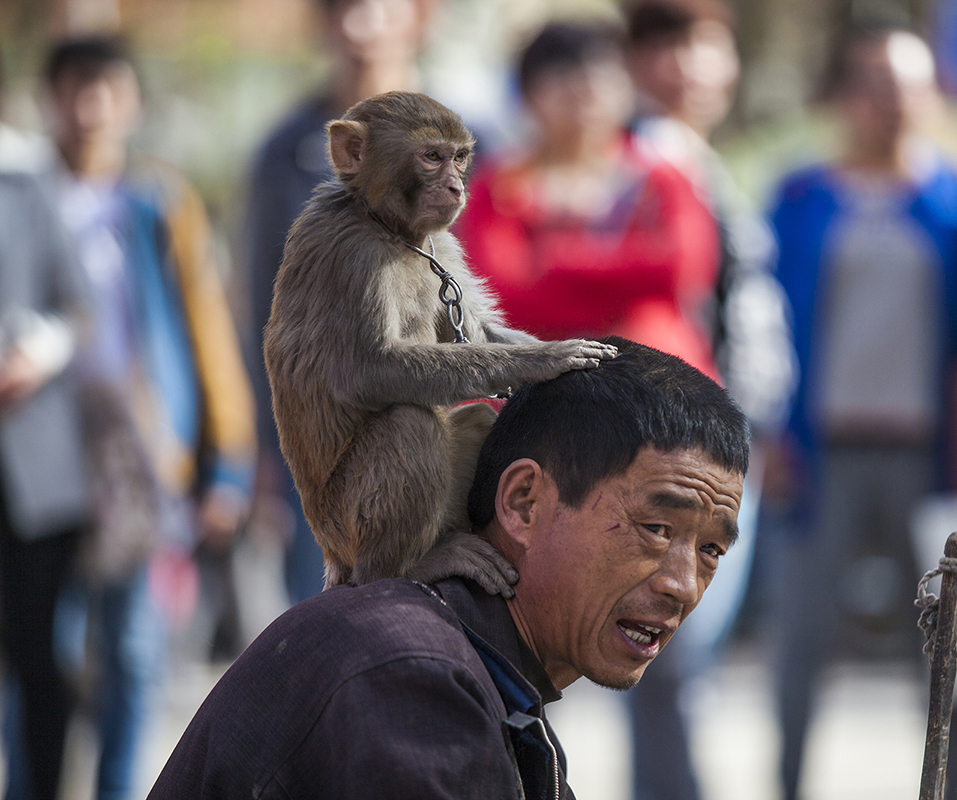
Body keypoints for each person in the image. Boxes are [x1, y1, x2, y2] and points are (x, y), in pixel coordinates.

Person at [147, 337, 749, 799]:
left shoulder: (487, 679)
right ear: (522, 503)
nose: (682, 585)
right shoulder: (410, 673)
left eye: (711, 551)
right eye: (655, 529)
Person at [769, 23, 957, 800]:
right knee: (799, 639)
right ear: (845, 95)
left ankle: (946, 789)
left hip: (929, 457)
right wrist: (765, 435)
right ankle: (789, 785)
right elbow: (764, 326)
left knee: (945, 647)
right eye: (873, 83)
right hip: (820, 449)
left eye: (906, 85)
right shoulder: (799, 197)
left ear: (931, 95)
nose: (890, 102)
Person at [42, 36, 257, 800]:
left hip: (142, 457)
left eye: (107, 89)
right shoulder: (24, 197)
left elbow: (206, 330)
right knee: (44, 651)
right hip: (42, 461)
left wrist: (225, 461)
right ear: (50, 98)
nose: (92, 107)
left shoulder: (159, 204)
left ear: (131, 102)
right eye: (75, 88)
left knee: (133, 650)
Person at [621, 2, 796, 798]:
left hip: (726, 439)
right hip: (680, 446)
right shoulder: (638, 160)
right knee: (670, 652)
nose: (687, 66)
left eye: (704, 46)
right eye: (665, 47)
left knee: (680, 662)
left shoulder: (701, 157)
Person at [245, 0, 441, 604]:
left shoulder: (479, 131)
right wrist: (262, 445)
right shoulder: (287, 151)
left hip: (453, 419)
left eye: (379, 9)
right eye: (344, 10)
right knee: (338, 629)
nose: (361, 28)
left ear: (420, 17)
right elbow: (263, 307)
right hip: (334, 440)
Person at [454, 20, 722, 381]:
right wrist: (630, 282)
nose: (586, 87)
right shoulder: (498, 187)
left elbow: (684, 270)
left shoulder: (664, 178)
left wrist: (553, 260)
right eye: (564, 74)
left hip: (658, 379)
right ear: (529, 93)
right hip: (537, 388)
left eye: (602, 73)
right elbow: (502, 291)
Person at [0, 137, 93, 800]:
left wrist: (34, 354)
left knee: (38, 656)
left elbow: (77, 307)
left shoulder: (27, 179)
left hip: (32, 465)